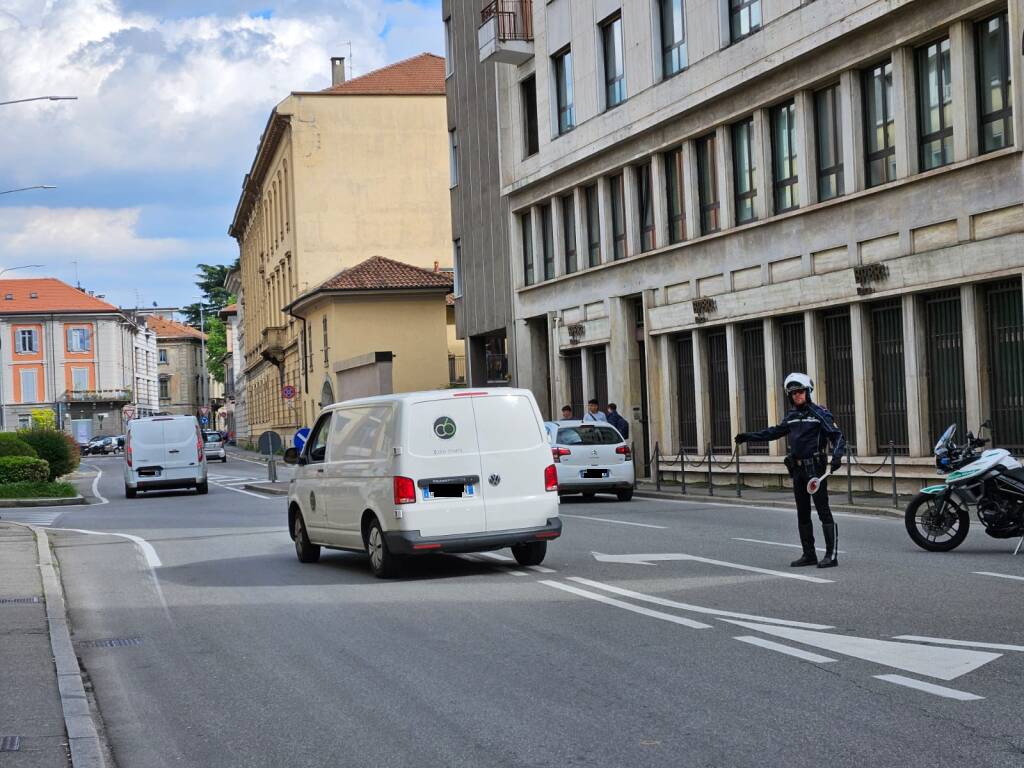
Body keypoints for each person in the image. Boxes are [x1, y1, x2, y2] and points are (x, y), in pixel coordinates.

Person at [734, 372, 845, 568]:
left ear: (808, 392)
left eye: (800, 392)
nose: (797, 396)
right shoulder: (791, 416)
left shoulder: (820, 413)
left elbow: (837, 436)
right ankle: (809, 554)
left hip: (815, 469)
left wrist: (837, 456)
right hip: (798, 470)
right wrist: (749, 436)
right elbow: (774, 432)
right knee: (802, 513)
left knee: (823, 511)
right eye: (793, 393)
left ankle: (831, 556)